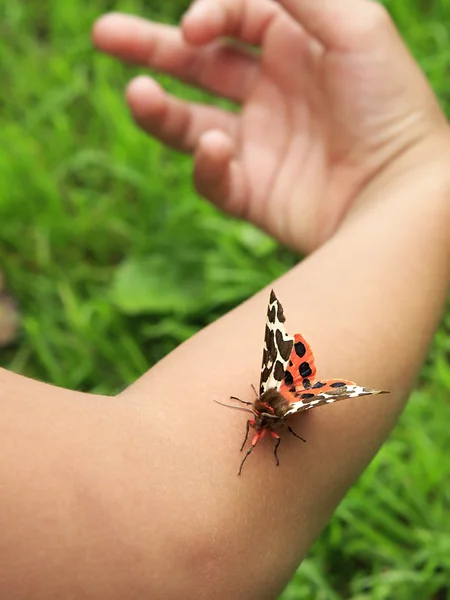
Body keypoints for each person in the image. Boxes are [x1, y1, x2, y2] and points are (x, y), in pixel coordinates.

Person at [1, 0, 449, 598]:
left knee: (297, 385)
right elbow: (169, 545)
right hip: (291, 380)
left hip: (295, 382)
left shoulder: (276, 408)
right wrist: (415, 173)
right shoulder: (264, 411)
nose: (256, 426)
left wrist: (406, 174)